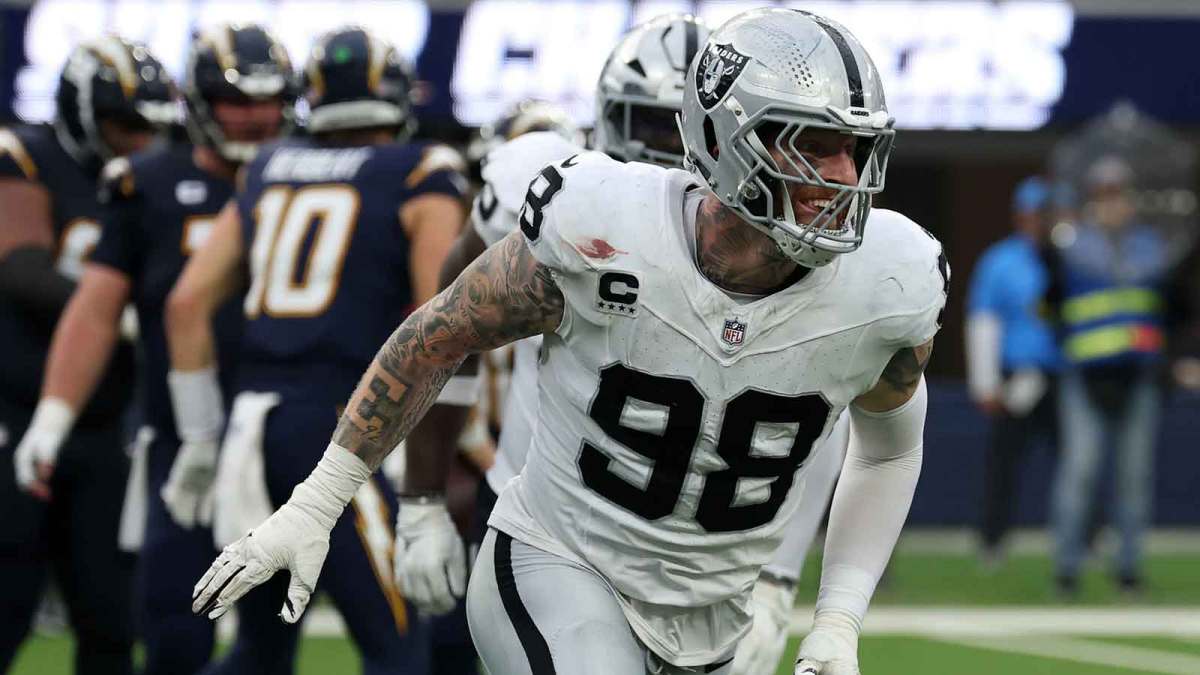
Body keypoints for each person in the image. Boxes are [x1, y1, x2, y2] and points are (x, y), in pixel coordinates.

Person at [191, 9, 947, 675]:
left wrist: (835, 617)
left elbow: (888, 447)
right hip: (558, 559)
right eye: (812, 145)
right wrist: (319, 503)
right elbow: (437, 332)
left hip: (714, 608)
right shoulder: (599, 223)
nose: (843, 175)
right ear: (724, 139)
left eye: (853, 146)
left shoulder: (888, 280)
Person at [166, 26, 467, 674]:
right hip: (345, 428)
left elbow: (186, 303)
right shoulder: (421, 172)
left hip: (252, 429)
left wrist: (198, 436)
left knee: (262, 646)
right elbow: (441, 323)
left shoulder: (268, 167)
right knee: (398, 643)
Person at [16, 24, 292, 674]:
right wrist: (53, 418)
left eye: (268, 99)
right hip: (182, 440)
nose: (255, 117)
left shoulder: (308, 176)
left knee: (277, 637)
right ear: (199, 101)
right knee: (175, 632)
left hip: (295, 441)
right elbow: (95, 310)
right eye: (235, 99)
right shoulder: (147, 183)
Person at [0, 36, 174, 675]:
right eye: (125, 124)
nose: (139, 139)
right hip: (15, 411)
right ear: (80, 111)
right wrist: (120, 312)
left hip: (108, 422)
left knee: (110, 617)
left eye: (150, 125)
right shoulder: (24, 155)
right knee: (8, 600)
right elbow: (19, 268)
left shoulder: (149, 177)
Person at [1048, 156, 1170, 595]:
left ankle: (1128, 569)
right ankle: (1067, 569)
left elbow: (1154, 278)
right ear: (1092, 199)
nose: (1112, 203)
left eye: (1118, 193)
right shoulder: (1075, 243)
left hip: (1138, 376)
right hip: (1085, 375)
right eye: (1104, 194)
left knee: (1134, 477)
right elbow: (1074, 275)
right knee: (1079, 471)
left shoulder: (1150, 245)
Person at [965, 176, 1061, 569]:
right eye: (1034, 214)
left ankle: (1086, 538)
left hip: (1065, 375)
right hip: (1016, 374)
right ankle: (992, 539)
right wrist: (985, 382)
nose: (1038, 221)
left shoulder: (1068, 258)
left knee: (1077, 466)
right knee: (1003, 463)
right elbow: (983, 320)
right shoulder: (1000, 261)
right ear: (1020, 216)